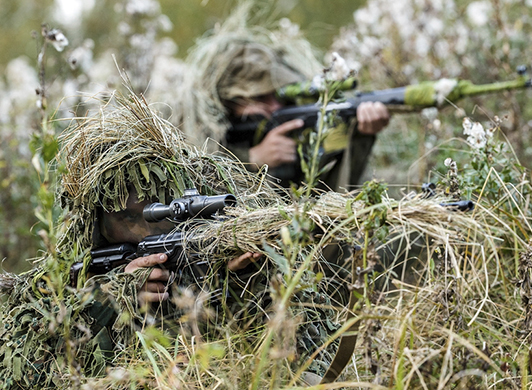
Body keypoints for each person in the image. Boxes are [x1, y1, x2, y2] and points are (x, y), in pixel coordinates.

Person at [0, 89, 340, 387]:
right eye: (127, 218)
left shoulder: (201, 229)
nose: (143, 229)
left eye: (154, 211)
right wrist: (113, 298)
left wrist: (237, 278)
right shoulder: (67, 272)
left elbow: (252, 342)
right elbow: (33, 366)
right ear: (96, 225)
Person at [179, 3, 390, 191]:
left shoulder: (299, 124)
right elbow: (192, 184)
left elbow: (330, 197)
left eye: (279, 94)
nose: (275, 106)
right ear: (226, 104)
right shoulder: (192, 132)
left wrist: (360, 136)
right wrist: (252, 160)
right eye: (259, 98)